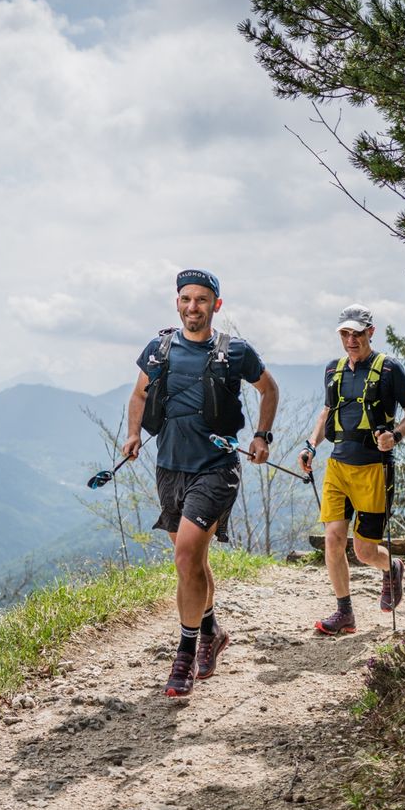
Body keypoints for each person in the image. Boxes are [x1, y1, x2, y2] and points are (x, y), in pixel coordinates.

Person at [121, 269, 279, 697]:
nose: (194, 307)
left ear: (216, 306)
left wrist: (262, 436)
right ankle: (212, 632)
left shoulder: (236, 351)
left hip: (216, 468)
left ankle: (185, 655)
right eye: (186, 299)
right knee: (192, 560)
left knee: (186, 556)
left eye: (202, 300)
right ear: (177, 303)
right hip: (170, 468)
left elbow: (269, 390)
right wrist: (134, 433)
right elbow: (139, 394)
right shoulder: (160, 349)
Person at [297, 305, 405, 634]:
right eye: (345, 334)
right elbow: (327, 412)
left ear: (371, 331)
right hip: (338, 465)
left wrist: (395, 436)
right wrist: (311, 445)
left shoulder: (389, 369)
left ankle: (391, 566)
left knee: (364, 550)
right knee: (333, 540)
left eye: (357, 333)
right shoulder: (333, 370)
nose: (351, 340)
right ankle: (345, 613)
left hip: (373, 468)